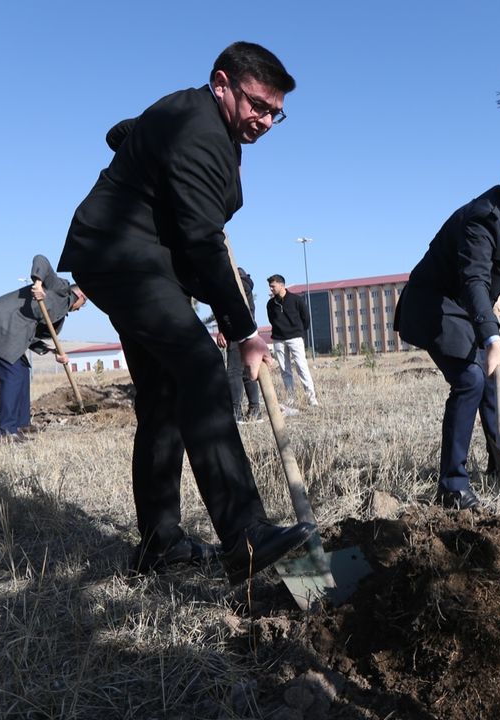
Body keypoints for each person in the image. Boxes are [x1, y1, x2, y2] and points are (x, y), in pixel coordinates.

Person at [57, 41, 314, 583]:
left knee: (164, 397)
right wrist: (243, 329)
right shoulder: (198, 127)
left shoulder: (189, 118)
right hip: (123, 257)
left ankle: (159, 544)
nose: (265, 120)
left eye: (275, 112)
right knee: (199, 368)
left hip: (127, 260)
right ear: (221, 82)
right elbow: (200, 240)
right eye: (256, 105)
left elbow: (126, 133)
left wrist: (135, 142)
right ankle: (246, 536)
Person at [393, 154, 500, 509]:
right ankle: (452, 486)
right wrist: (492, 337)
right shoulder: (481, 218)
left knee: (488, 378)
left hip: (469, 306)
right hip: (434, 303)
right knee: (470, 379)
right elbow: (473, 278)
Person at [0, 255, 86, 440]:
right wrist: (38, 284)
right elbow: (41, 260)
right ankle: (5, 430)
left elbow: (32, 336)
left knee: (21, 371)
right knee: (13, 376)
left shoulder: (59, 316)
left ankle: (21, 424)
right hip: (1, 325)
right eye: (83, 305)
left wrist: (54, 352)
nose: (79, 310)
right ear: (80, 296)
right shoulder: (61, 288)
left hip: (14, 334)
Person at [216, 267, 262, 422]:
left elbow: (228, 310)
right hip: (248, 329)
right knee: (247, 372)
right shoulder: (246, 285)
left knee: (234, 372)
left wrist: (223, 329)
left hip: (237, 330)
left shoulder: (236, 285)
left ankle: (236, 412)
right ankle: (255, 410)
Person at [265, 274, 318, 407]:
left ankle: (311, 398)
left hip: (295, 338)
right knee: (285, 370)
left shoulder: (296, 300)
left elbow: (306, 318)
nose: (271, 289)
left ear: (282, 285)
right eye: (270, 286)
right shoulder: (270, 304)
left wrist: (298, 331)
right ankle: (291, 398)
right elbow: (272, 320)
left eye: (273, 286)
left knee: (301, 366)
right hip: (278, 340)